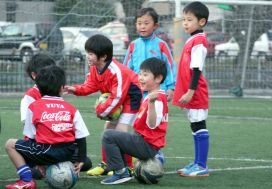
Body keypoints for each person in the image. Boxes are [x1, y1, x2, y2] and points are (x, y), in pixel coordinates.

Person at [64, 34, 142, 176]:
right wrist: (75, 89)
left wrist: (102, 111)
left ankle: (128, 166)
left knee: (120, 131)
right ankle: (107, 164)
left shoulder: (116, 71)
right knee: (108, 130)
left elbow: (118, 96)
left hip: (132, 97)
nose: (87, 56)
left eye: (91, 54)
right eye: (87, 52)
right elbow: (90, 85)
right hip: (117, 99)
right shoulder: (95, 68)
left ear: (103, 56)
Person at [5, 65, 90, 189]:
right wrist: (80, 160)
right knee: (86, 161)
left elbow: (31, 137)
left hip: (46, 151)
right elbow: (81, 137)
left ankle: (26, 180)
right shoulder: (72, 109)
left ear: (38, 88)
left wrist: (37, 161)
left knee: (10, 144)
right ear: (62, 88)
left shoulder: (33, 107)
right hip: (68, 153)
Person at [20, 54, 92, 179]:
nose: (51, 74)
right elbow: (28, 128)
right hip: (39, 145)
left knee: (86, 163)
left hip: (59, 145)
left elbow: (75, 131)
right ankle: (44, 166)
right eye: (45, 71)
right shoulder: (29, 97)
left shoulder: (56, 92)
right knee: (32, 168)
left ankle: (53, 165)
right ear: (34, 75)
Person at [100, 57, 168, 185]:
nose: (140, 78)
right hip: (147, 144)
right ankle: (124, 169)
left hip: (147, 146)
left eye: (145, 75)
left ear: (158, 78)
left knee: (108, 135)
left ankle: (120, 173)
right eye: (140, 74)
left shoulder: (156, 99)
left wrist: (152, 103)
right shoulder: (152, 96)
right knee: (118, 136)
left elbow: (153, 124)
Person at [172, 1, 210, 177]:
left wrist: (190, 92)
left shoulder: (199, 41)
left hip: (196, 92)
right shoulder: (192, 39)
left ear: (201, 22)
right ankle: (197, 163)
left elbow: (196, 69)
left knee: (199, 125)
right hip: (191, 92)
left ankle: (201, 165)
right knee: (195, 126)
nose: (185, 23)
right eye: (184, 19)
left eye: (189, 19)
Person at [123, 7, 176, 102]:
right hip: (137, 91)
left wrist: (171, 87)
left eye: (146, 23)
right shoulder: (133, 45)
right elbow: (126, 69)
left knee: (156, 116)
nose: (142, 26)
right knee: (139, 116)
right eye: (139, 23)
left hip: (157, 91)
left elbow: (170, 66)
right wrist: (125, 86)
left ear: (155, 25)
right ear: (135, 25)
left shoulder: (161, 45)